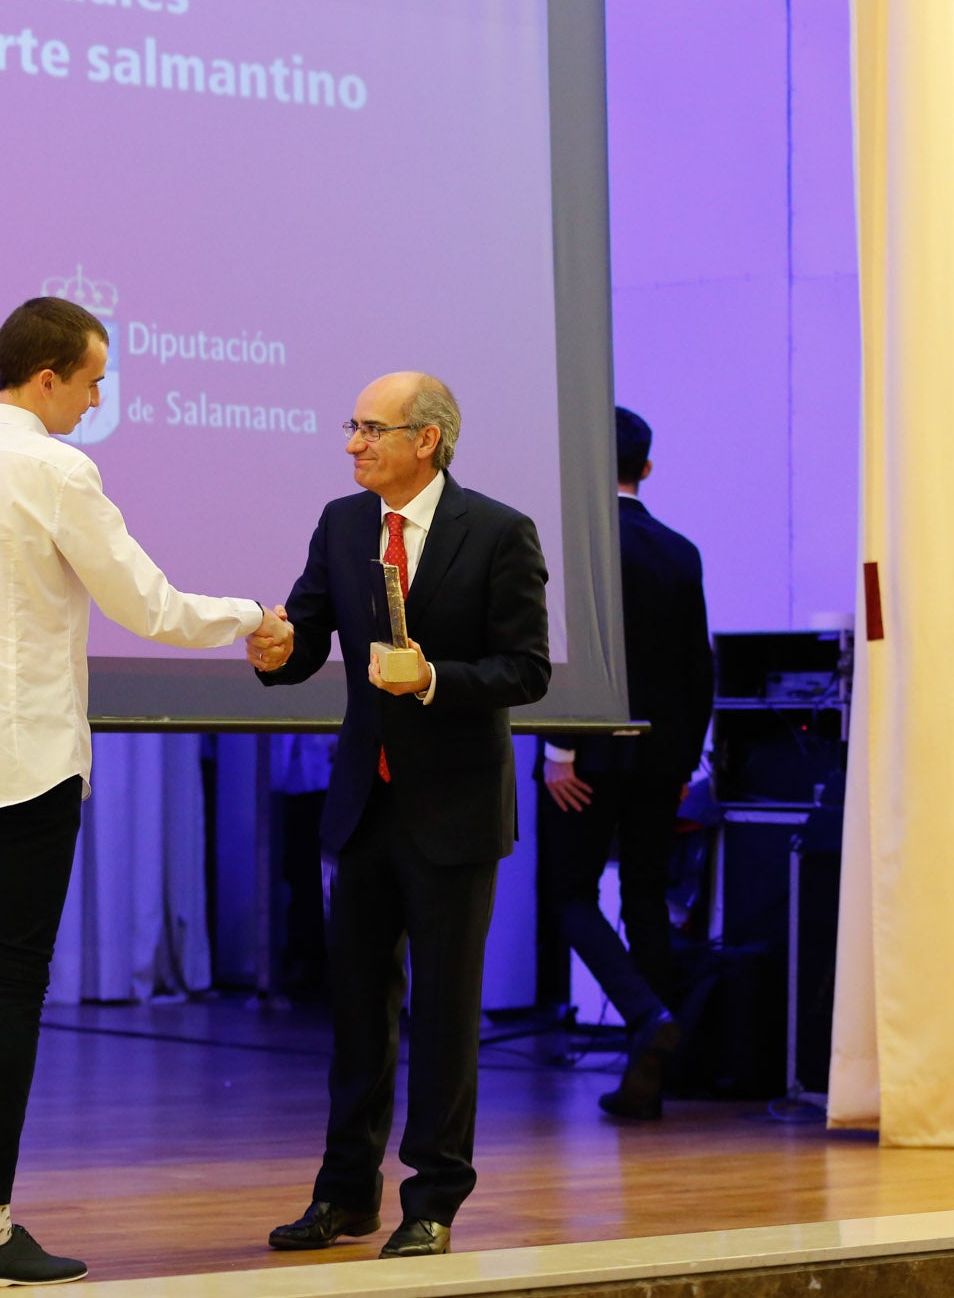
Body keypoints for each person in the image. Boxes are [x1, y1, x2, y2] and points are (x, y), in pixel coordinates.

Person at [0, 295, 291, 1287]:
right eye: (93, 380)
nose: (98, 401)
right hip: (31, 762)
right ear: (45, 375)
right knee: (11, 982)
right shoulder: (56, 469)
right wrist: (245, 617)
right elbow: (148, 604)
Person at [250, 372, 550, 1258]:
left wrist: (433, 679)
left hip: (454, 810)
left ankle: (434, 1200)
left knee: (445, 1014)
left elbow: (526, 669)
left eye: (370, 428)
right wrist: (278, 648)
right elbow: (304, 637)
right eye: (352, 425)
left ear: (427, 439)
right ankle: (345, 1193)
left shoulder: (498, 531)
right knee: (355, 1012)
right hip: (364, 804)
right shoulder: (343, 525)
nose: (352, 443)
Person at [537, 406, 712, 1119]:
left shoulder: (575, 542)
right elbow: (699, 669)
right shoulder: (681, 550)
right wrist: (682, 762)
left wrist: (558, 747)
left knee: (569, 892)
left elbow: (564, 650)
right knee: (643, 894)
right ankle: (652, 1077)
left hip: (586, 753)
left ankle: (643, 1014)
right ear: (645, 468)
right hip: (662, 756)